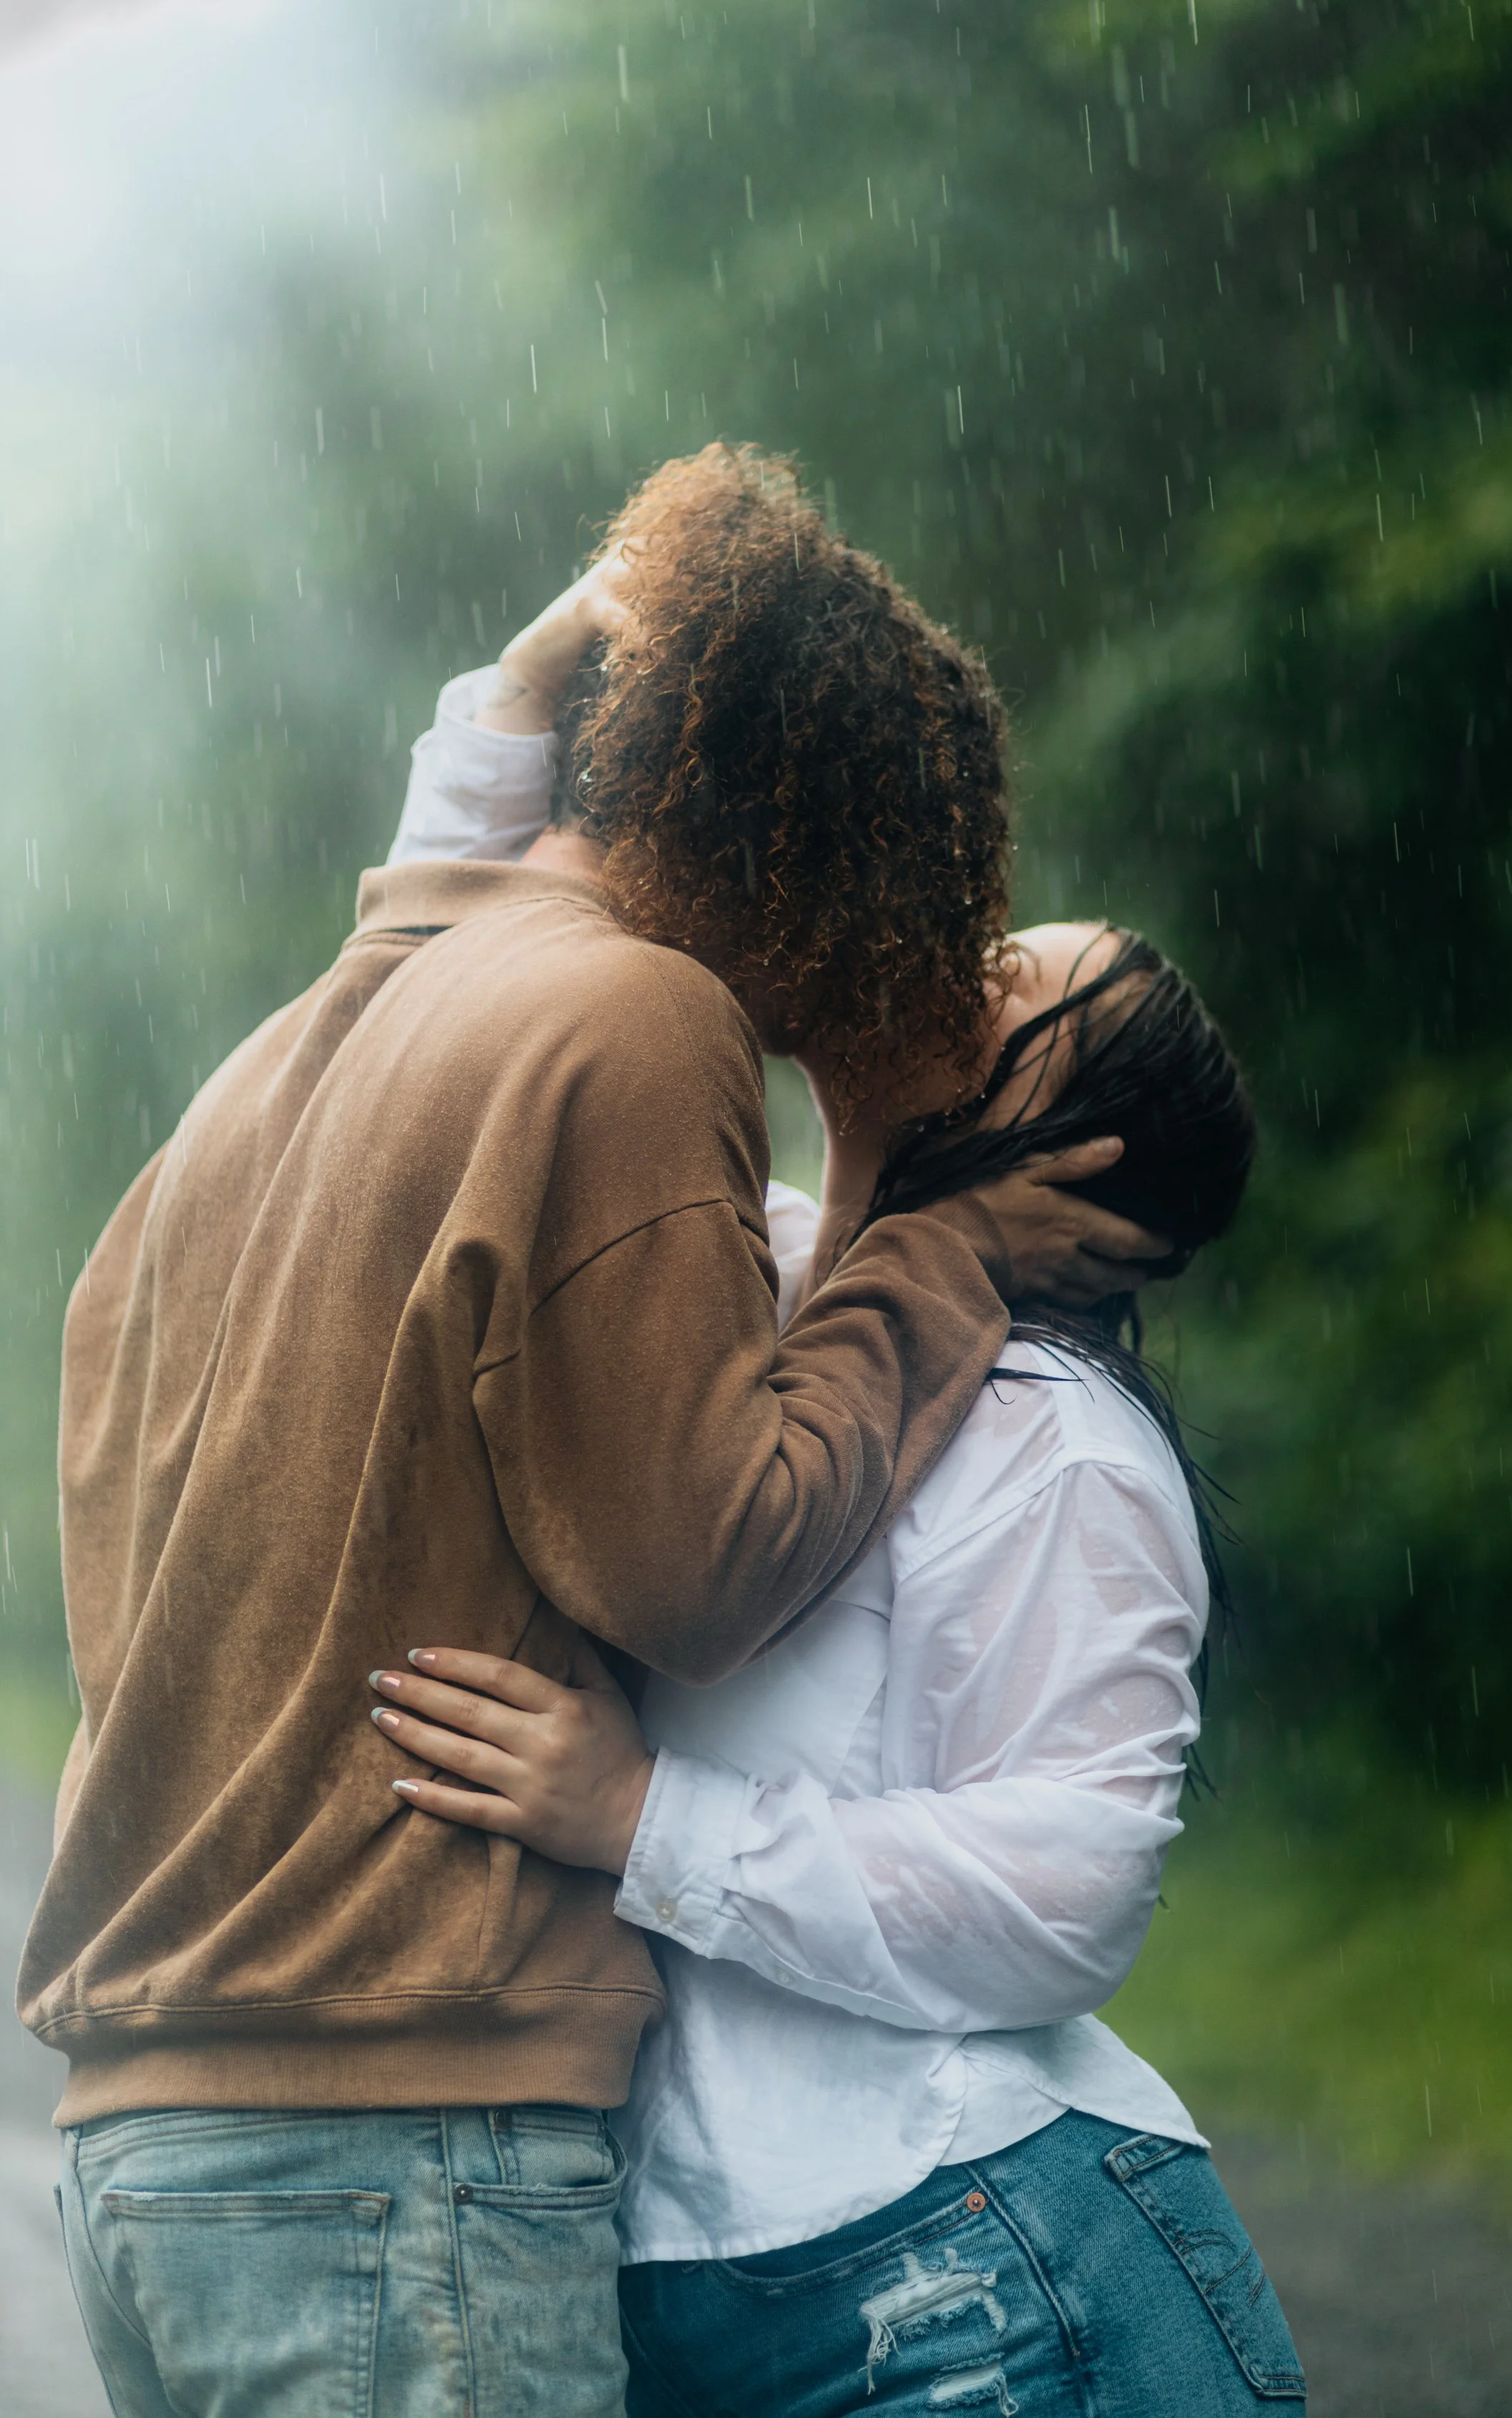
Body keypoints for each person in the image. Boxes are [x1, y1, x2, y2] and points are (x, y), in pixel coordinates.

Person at [23, 445, 1169, 2418]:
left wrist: (515, 701)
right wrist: (951, 1247)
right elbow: (698, 1564)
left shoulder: (288, 1061)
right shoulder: (633, 1017)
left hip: (151, 2142)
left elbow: (435, 919)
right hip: (396, 2151)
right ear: (840, 862)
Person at [353, 638, 1306, 2412]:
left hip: (987, 2277)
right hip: (700, 2296)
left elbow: (1073, 1886)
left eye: (1009, 981)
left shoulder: (1060, 1448)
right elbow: (437, 1050)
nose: (954, 956)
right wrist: (500, 720)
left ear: (1071, 1147)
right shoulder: (750, 1273)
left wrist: (645, 1821)